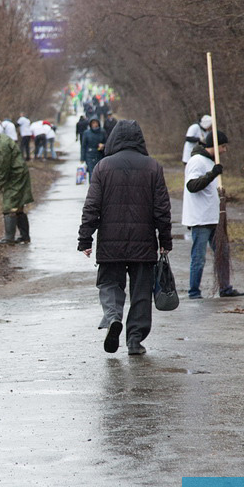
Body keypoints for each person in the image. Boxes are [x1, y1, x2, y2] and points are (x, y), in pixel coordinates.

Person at [78, 120, 172, 356]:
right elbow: (162, 209)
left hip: (111, 242)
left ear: (113, 139)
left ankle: (112, 318)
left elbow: (92, 206)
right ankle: (134, 340)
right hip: (144, 243)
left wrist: (85, 239)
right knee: (141, 291)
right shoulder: (153, 167)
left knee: (110, 284)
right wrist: (165, 241)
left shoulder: (102, 167)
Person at [182, 130, 244, 299]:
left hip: (214, 217)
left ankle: (225, 287)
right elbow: (192, 186)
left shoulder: (211, 162)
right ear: (215, 146)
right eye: (223, 146)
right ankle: (194, 291)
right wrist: (212, 174)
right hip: (200, 219)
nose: (225, 150)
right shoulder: (196, 161)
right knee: (199, 257)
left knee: (222, 254)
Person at [0, 123, 33, 244]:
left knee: (10, 206)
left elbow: (4, 168)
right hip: (17, 175)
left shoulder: (1, 146)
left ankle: (9, 238)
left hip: (15, 177)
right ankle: (25, 237)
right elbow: (0, 164)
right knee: (18, 207)